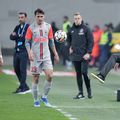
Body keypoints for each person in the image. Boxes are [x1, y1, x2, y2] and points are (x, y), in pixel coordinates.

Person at [25, 8, 59, 107]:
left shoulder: (48, 27)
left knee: (50, 75)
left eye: (41, 16)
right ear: (35, 17)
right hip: (35, 57)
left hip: (46, 56)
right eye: (38, 16)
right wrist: (29, 53)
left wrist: (56, 54)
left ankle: (44, 96)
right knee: (36, 78)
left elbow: (51, 41)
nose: (40, 18)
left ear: (44, 17)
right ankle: (36, 100)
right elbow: (26, 42)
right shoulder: (31, 28)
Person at [67, 12, 93, 99]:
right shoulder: (71, 29)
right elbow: (69, 40)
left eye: (78, 18)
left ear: (81, 19)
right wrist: (70, 46)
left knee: (84, 72)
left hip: (85, 55)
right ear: (73, 19)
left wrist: (88, 53)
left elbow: (91, 42)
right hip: (75, 55)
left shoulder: (86, 29)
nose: (77, 20)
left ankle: (89, 90)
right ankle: (80, 93)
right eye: (75, 18)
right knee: (78, 74)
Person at [10, 12, 30, 94]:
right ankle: (24, 86)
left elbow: (25, 37)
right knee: (16, 69)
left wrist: (16, 36)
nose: (20, 19)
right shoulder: (17, 27)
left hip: (24, 51)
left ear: (25, 18)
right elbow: (11, 37)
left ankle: (22, 87)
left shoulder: (28, 27)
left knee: (22, 70)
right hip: (16, 51)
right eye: (19, 17)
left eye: (22, 17)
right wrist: (18, 35)